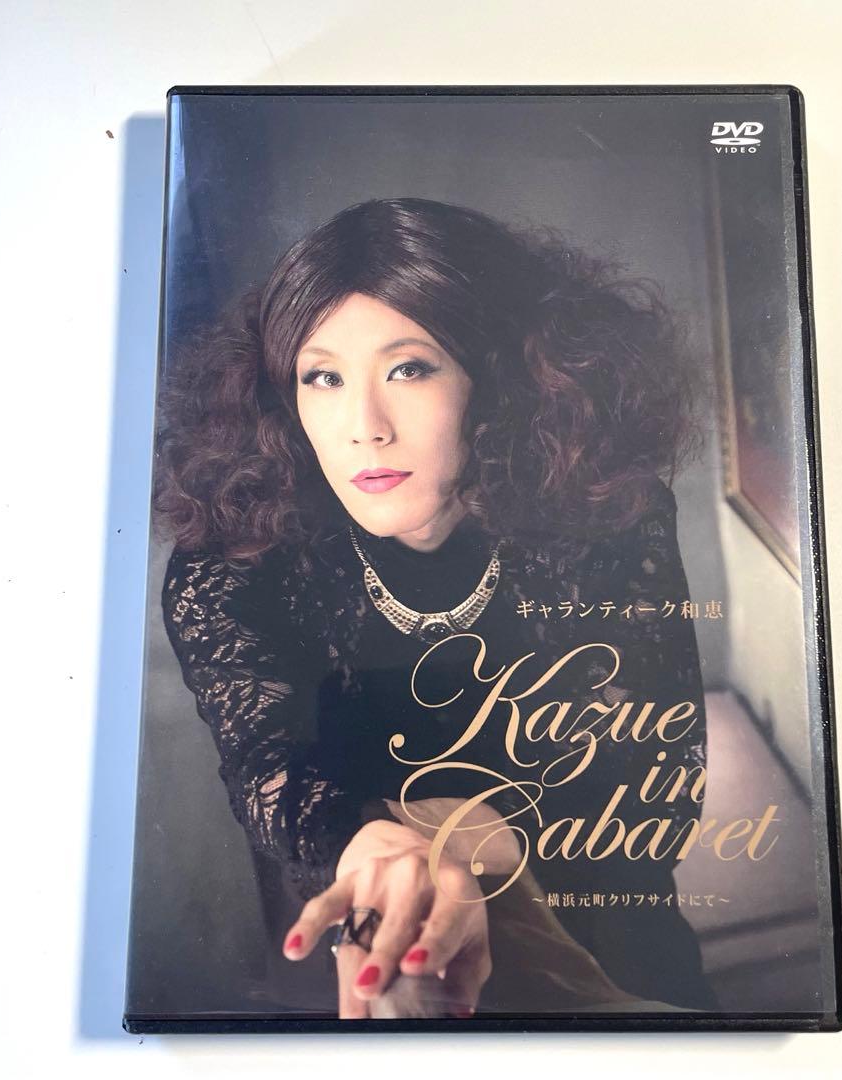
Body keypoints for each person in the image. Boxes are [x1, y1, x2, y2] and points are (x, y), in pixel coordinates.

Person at [153, 197, 716, 1018]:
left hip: (607, 936)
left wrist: (456, 852)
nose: (364, 427)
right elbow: (269, 770)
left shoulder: (608, 512)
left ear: (498, 376)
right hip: (374, 936)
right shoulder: (235, 560)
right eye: (323, 377)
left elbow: (656, 790)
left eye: (409, 368)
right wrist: (387, 854)